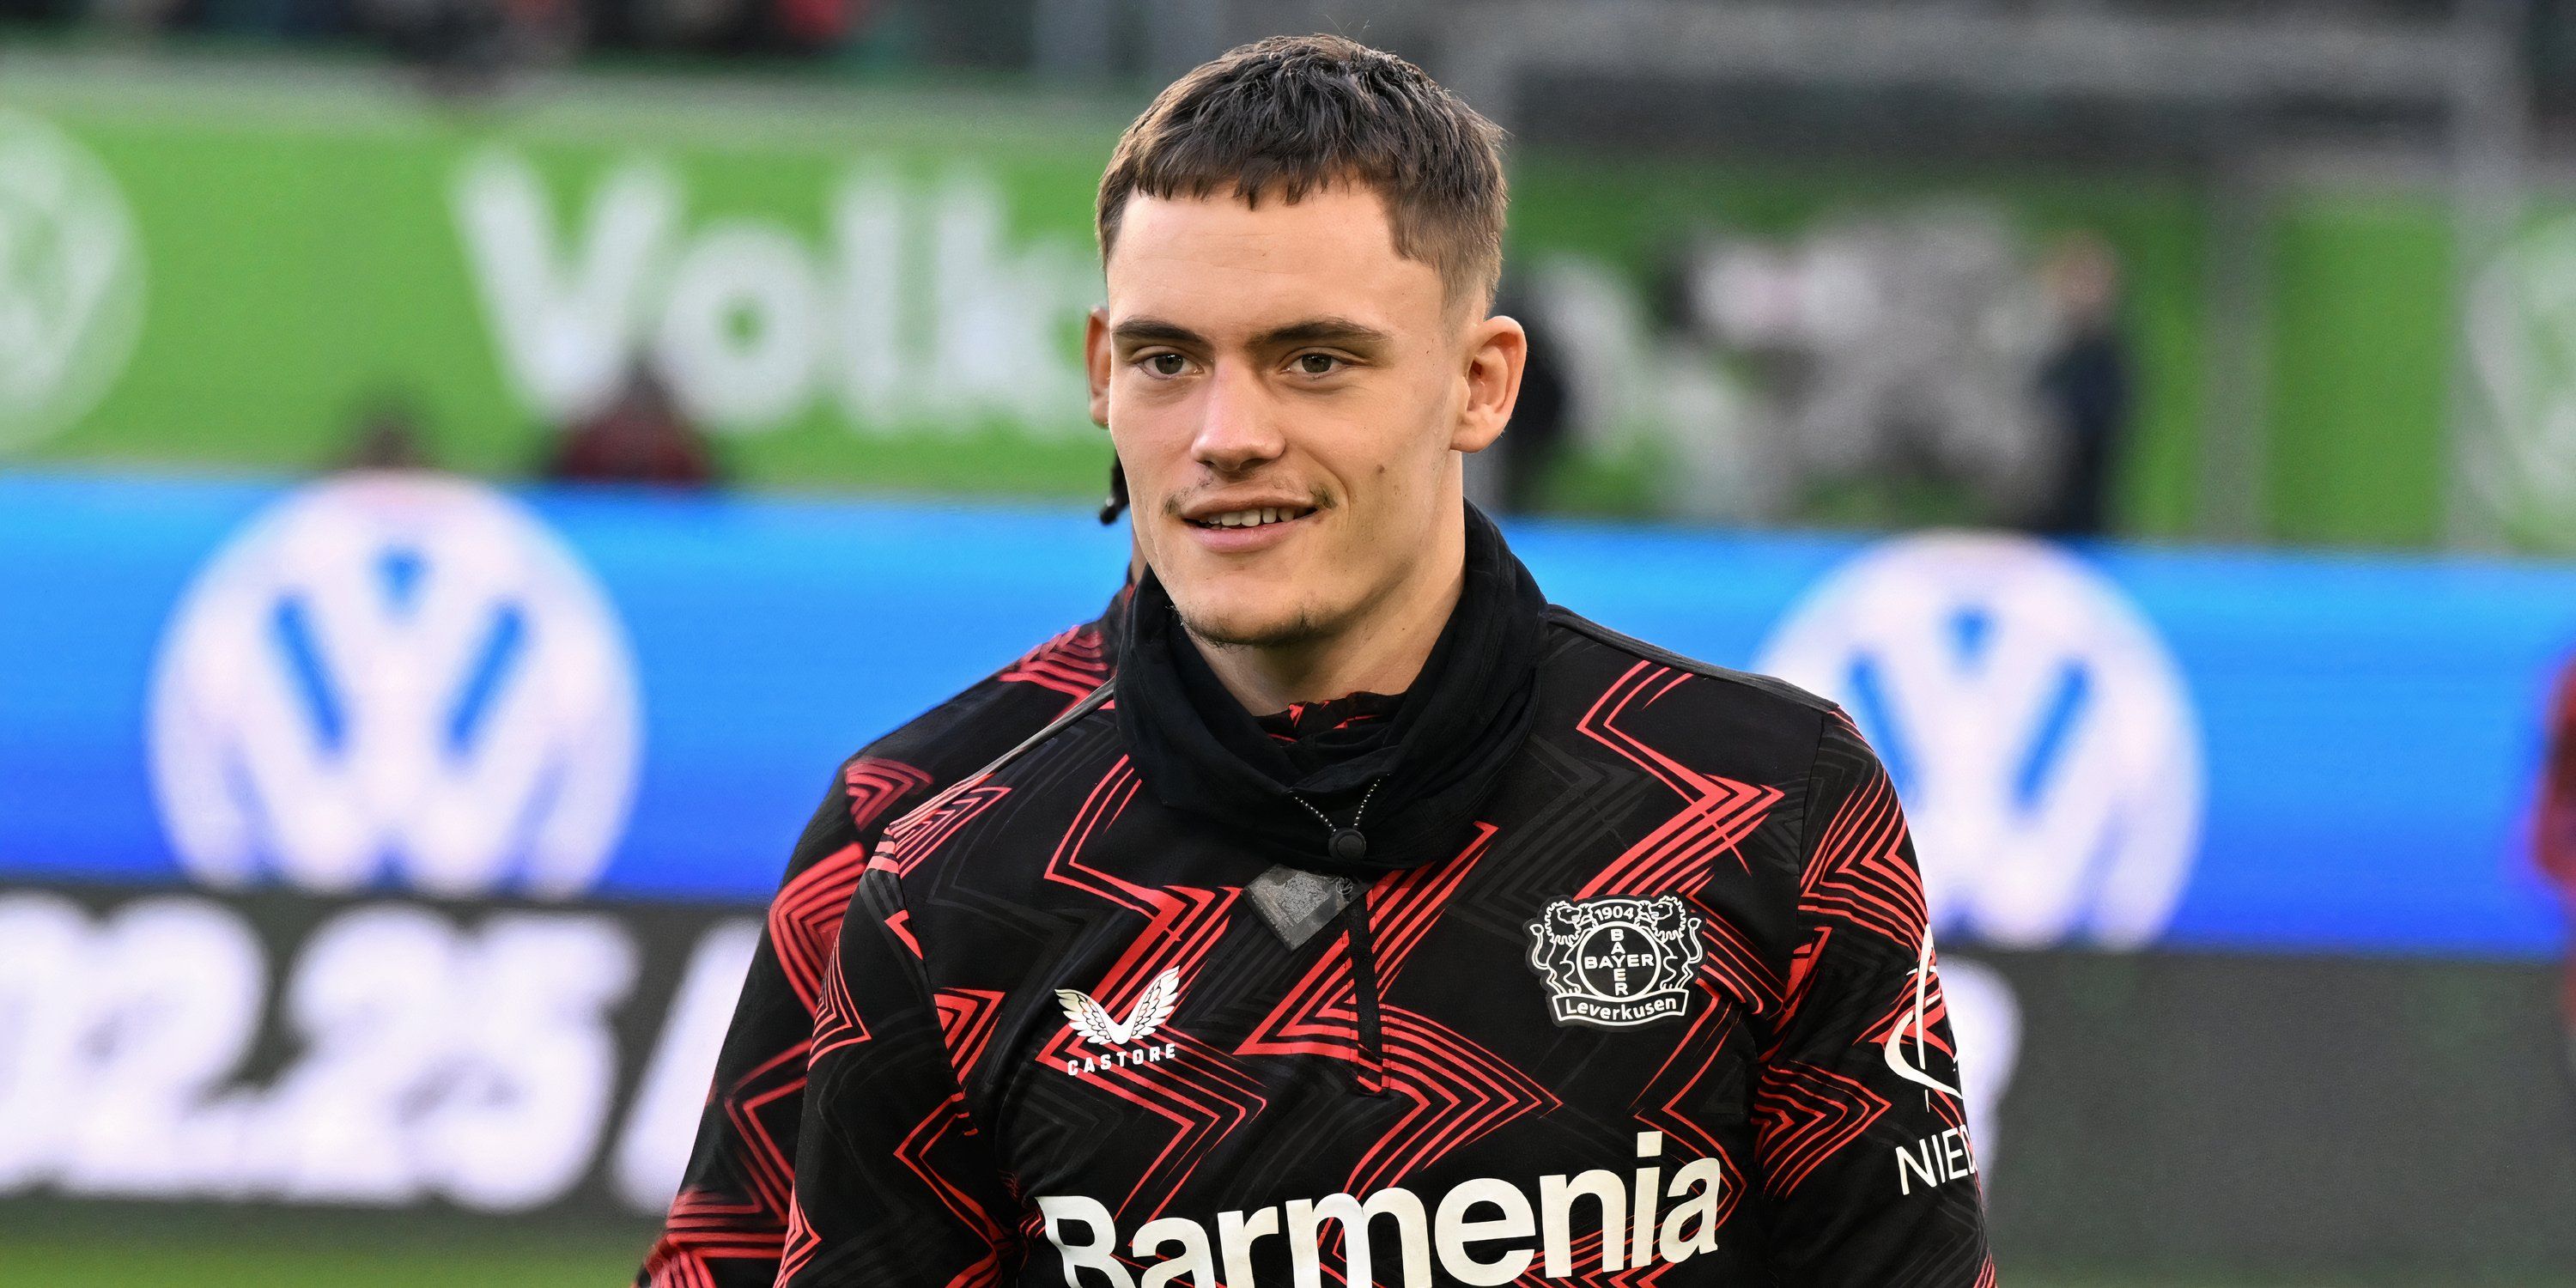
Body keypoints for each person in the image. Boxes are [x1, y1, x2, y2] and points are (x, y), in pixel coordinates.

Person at [772, 35, 1992, 1286]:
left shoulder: (1767, 804)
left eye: (1315, 360)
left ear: (1480, 383)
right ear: (1100, 375)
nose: (1226, 436)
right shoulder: (945, 886)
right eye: (1166, 360)